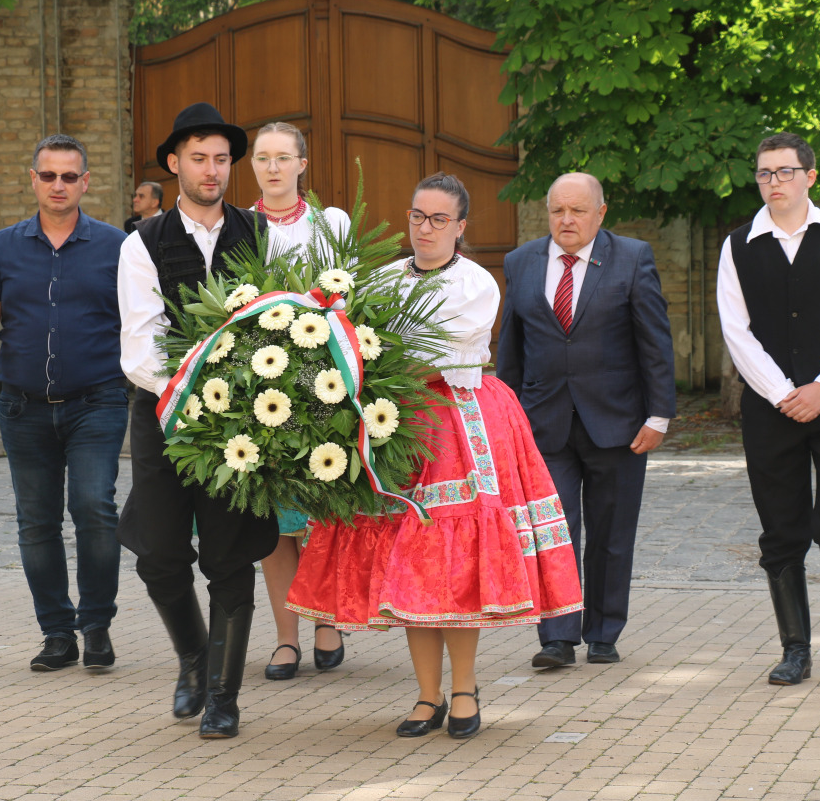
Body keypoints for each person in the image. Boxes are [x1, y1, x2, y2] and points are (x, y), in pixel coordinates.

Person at [287, 172, 583, 740]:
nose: (425, 228)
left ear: (461, 226)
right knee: (408, 566)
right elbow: (354, 339)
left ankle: (466, 689)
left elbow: (435, 347)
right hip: (392, 427)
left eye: (439, 219)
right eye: (418, 217)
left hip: (457, 425)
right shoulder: (380, 278)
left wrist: (375, 347)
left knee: (453, 565)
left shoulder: (477, 283)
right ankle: (426, 696)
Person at [117, 102, 278, 739]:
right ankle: (192, 656)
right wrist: (192, 396)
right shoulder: (142, 243)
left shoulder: (259, 232)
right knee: (157, 553)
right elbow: (141, 346)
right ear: (174, 164)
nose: (212, 170)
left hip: (244, 423)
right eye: (199, 159)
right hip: (162, 416)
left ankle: (223, 695)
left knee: (229, 556)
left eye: (221, 159)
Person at [717, 132, 820, 685]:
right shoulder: (738, 245)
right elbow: (736, 331)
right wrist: (782, 391)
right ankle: (796, 648)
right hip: (771, 408)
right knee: (781, 527)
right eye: (765, 173)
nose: (774, 182)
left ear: (810, 176)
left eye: (785, 172)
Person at [0, 135, 128, 674]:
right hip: (22, 409)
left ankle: (96, 624)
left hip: (97, 402)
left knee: (94, 509)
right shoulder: (5, 248)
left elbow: (143, 327)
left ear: (86, 182)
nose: (59, 185)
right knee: (36, 523)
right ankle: (57, 632)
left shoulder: (118, 246)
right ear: (32, 179)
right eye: (49, 175)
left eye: (69, 176)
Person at [496, 172, 676, 669]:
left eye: (577, 211)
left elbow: (654, 343)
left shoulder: (632, 257)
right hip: (543, 423)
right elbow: (510, 349)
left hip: (617, 422)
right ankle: (556, 636)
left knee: (611, 533)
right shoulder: (521, 262)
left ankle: (603, 631)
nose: (567, 220)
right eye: (558, 211)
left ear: (601, 212)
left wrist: (658, 415)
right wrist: (508, 418)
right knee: (552, 530)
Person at [248, 121, 352, 681]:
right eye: (263, 157)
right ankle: (287, 636)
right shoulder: (239, 225)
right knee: (276, 520)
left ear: (302, 163)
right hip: (258, 389)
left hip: (320, 383)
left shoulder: (331, 223)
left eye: (283, 157)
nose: (272, 167)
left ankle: (326, 620)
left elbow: (347, 296)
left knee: (318, 513)